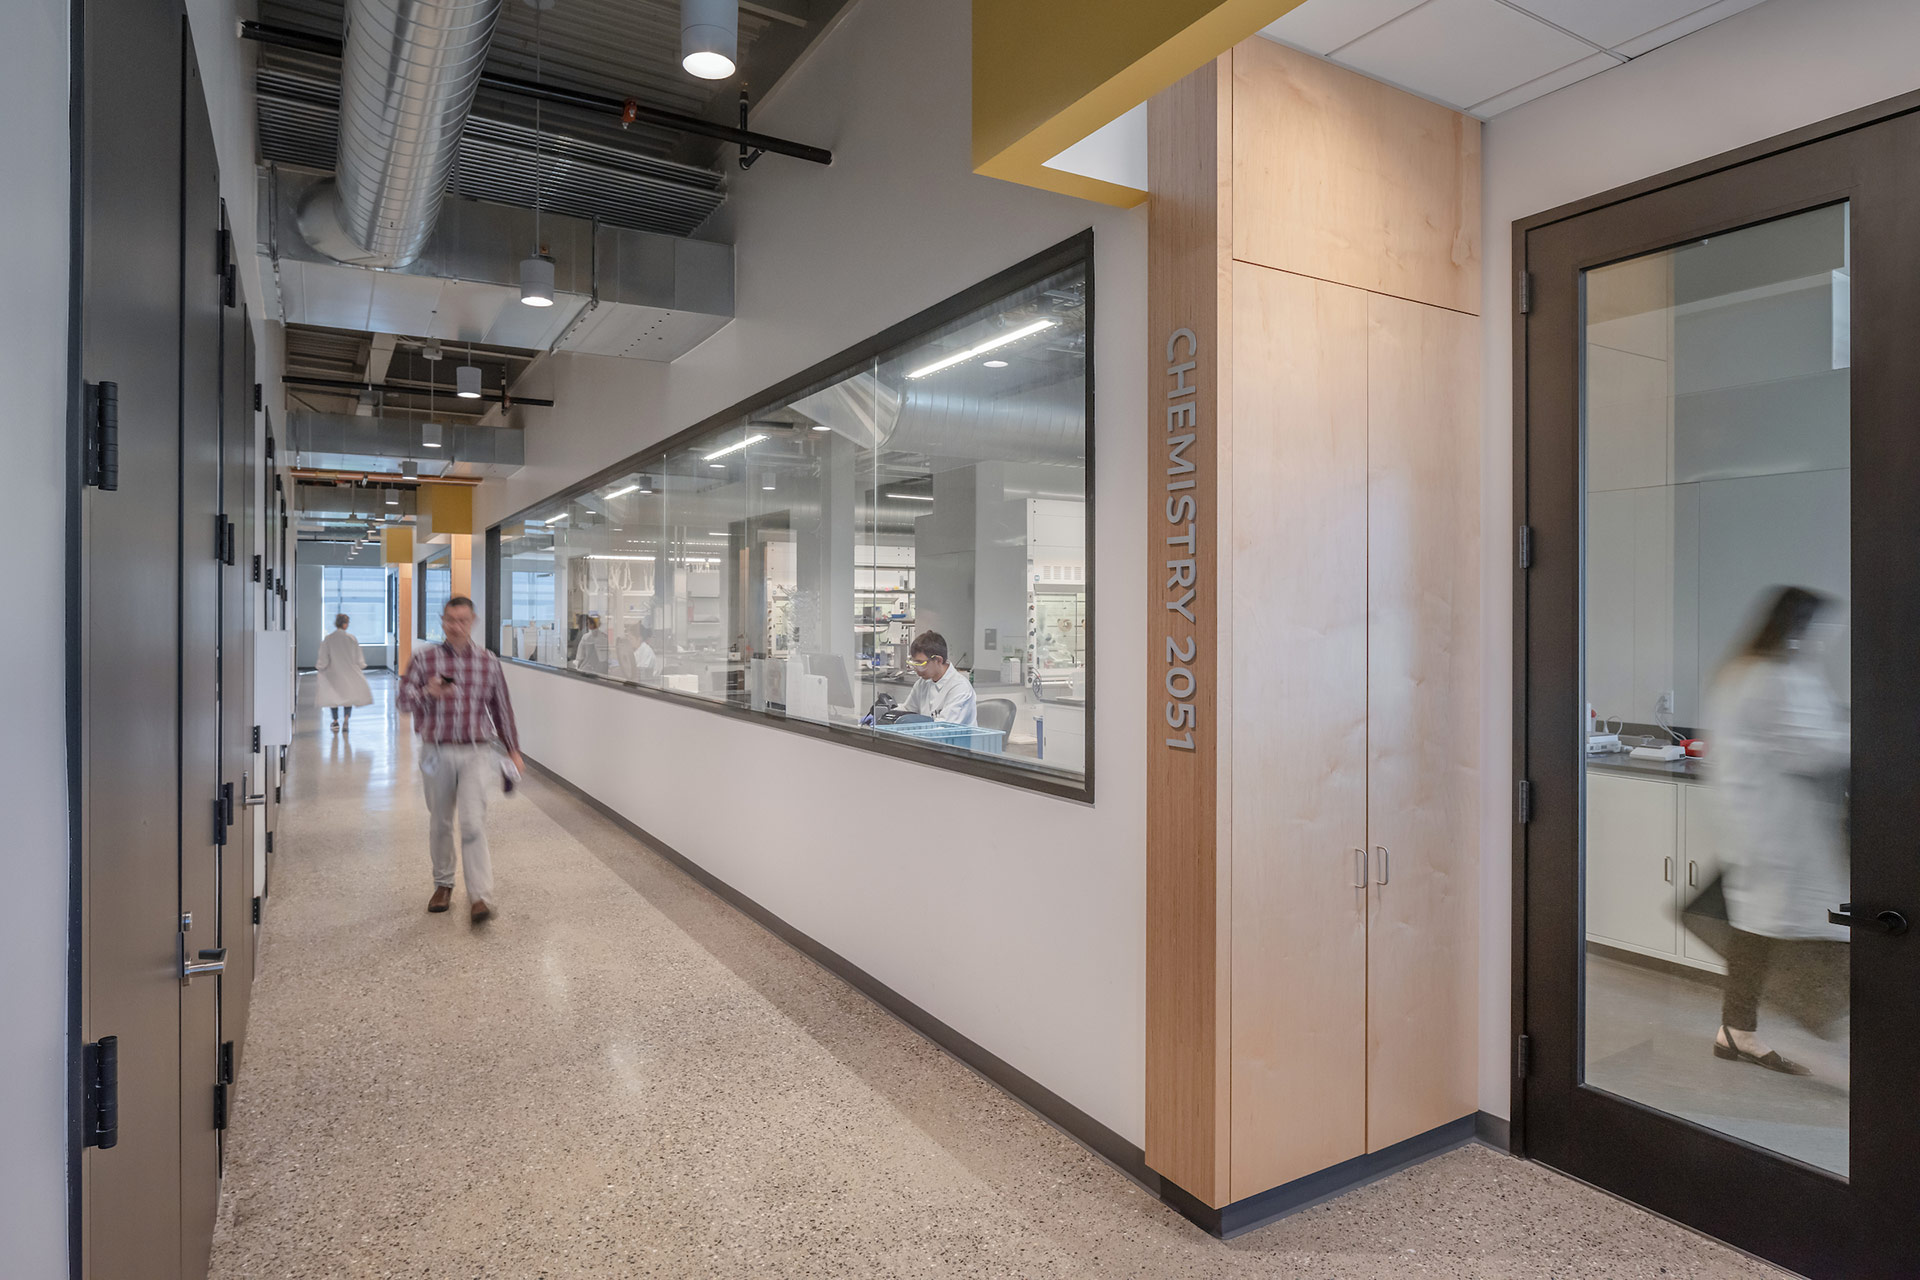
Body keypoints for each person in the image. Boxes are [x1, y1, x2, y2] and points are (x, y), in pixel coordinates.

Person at [1707, 586, 1851, 1075]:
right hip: (1777, 831)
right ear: (1798, 627)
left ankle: (1736, 1030)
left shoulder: (1742, 670)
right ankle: (1756, 1027)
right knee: (1812, 930)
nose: (1826, 638)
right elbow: (1807, 748)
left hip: (1756, 827)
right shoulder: (1772, 676)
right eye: (1821, 628)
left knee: (1757, 932)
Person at [397, 596, 524, 925]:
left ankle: (480, 895)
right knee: (440, 821)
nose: (456, 626)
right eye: (450, 620)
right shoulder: (425, 659)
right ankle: (443, 884)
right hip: (436, 751)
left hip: (476, 751)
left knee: (472, 822)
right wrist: (427, 692)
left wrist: (512, 749)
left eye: (462, 621)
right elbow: (402, 700)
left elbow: (501, 708)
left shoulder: (487, 661)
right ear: (442, 621)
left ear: (473, 622)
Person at [900, 630, 977, 725]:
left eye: (920, 664)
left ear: (938, 660)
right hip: (926, 738)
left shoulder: (960, 688)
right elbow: (907, 710)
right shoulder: (922, 683)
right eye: (914, 663)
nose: (916, 669)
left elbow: (946, 728)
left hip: (954, 739)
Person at [315, 613, 373, 731]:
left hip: (333, 673)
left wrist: (321, 666)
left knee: (334, 698)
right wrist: (360, 666)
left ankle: (335, 722)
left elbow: (324, 658)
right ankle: (346, 720)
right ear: (345, 624)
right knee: (348, 697)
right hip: (349, 672)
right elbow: (358, 657)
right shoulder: (351, 639)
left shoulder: (329, 639)